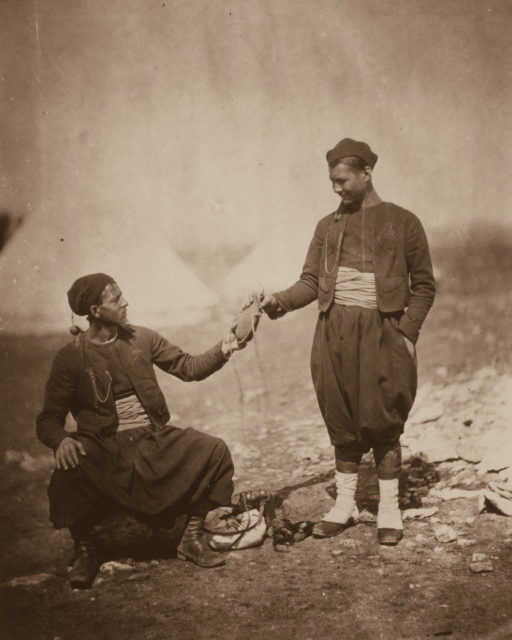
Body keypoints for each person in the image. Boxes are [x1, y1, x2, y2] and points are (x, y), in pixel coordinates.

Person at [259, 138, 435, 545]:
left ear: (367, 172)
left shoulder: (403, 221)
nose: (337, 189)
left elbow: (424, 286)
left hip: (383, 334)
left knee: (384, 420)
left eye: (343, 181)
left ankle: (389, 509)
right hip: (333, 333)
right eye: (332, 183)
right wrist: (276, 302)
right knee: (341, 419)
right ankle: (345, 506)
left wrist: (406, 335)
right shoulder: (327, 226)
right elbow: (310, 282)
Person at [36, 272, 246, 589]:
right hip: (103, 446)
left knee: (214, 450)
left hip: (151, 439)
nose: (126, 302)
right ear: (95, 310)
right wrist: (61, 440)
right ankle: (86, 550)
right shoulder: (70, 358)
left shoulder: (141, 338)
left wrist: (226, 347)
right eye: (116, 299)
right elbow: (48, 419)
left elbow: (188, 367)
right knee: (69, 467)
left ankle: (191, 538)